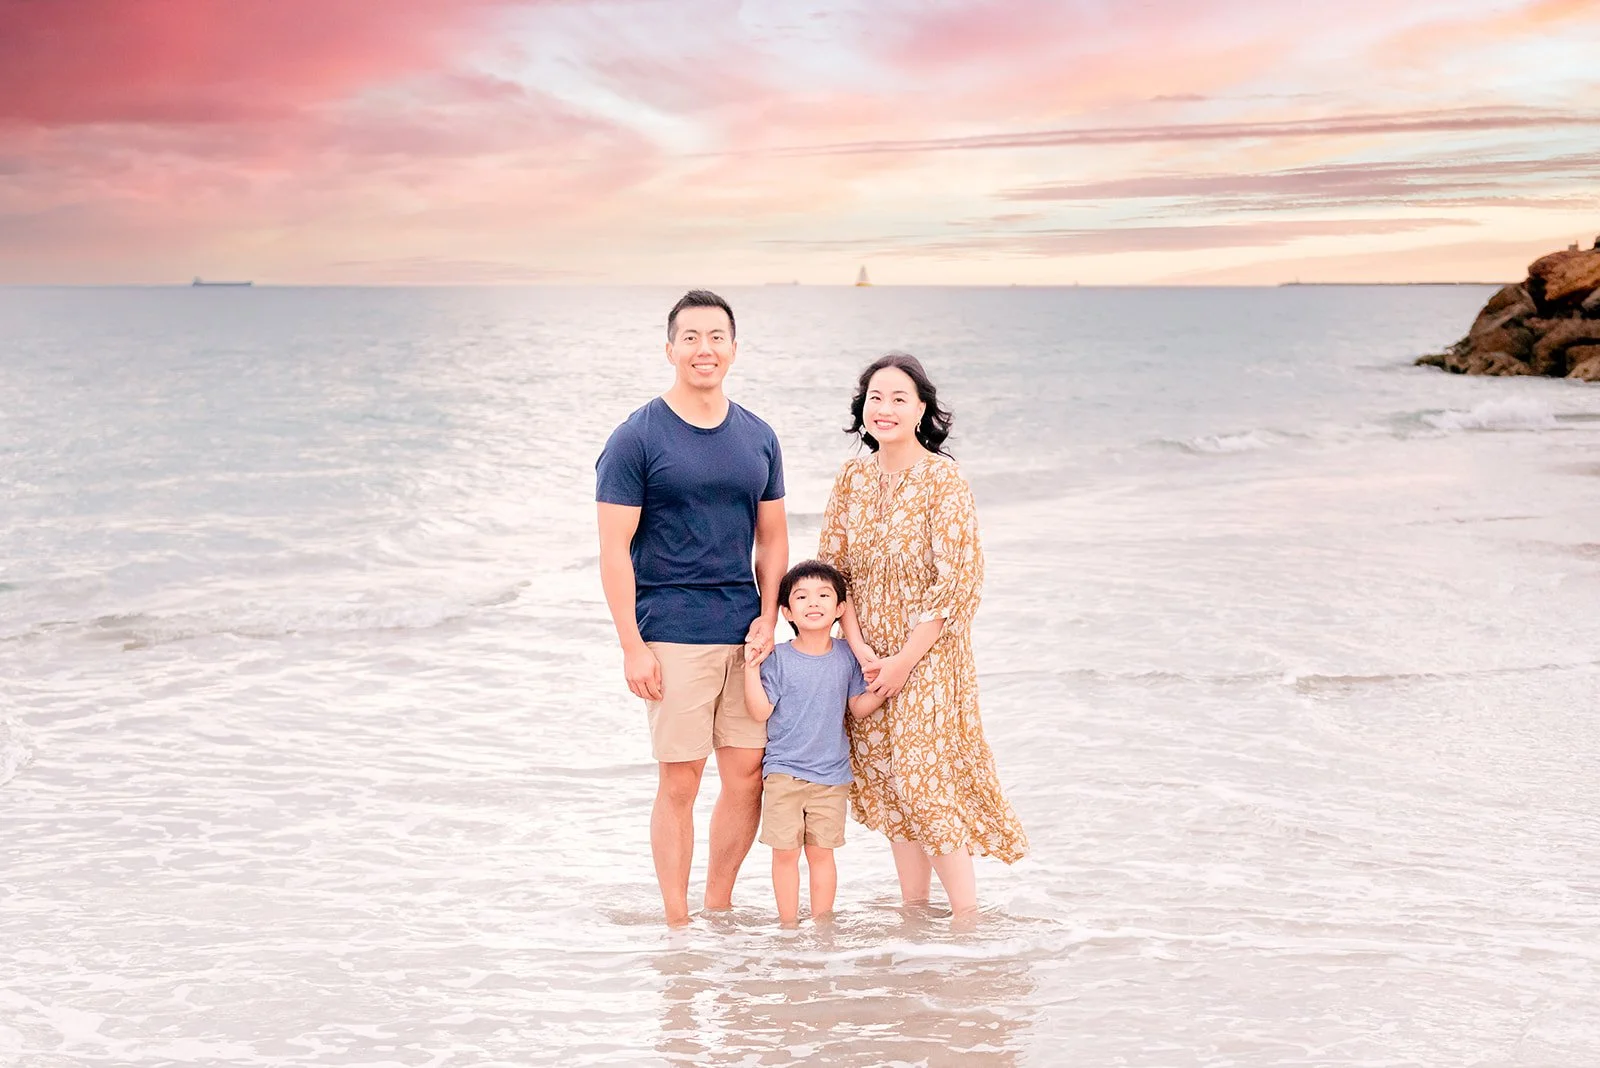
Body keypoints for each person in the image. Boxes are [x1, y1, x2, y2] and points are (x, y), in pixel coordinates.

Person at [595, 290, 789, 927]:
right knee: (680, 781)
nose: (705, 349)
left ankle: (717, 908)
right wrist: (632, 645)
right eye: (691, 337)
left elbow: (773, 539)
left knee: (747, 775)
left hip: (745, 633)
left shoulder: (759, 436)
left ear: (734, 348)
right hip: (672, 630)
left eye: (716, 337)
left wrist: (769, 616)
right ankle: (677, 924)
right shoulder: (636, 437)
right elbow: (614, 550)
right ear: (670, 349)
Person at [819, 352, 1027, 918]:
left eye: (899, 399)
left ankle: (966, 921)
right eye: (875, 398)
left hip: (928, 655)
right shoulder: (852, 478)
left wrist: (904, 662)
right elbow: (834, 573)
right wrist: (860, 648)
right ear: (862, 409)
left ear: (921, 410)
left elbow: (957, 581)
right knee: (890, 781)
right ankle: (915, 915)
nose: (884, 409)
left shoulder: (943, 479)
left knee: (924, 783)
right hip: (866, 654)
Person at [742, 560, 887, 926]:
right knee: (785, 855)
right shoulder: (779, 658)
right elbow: (760, 711)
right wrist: (751, 669)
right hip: (783, 773)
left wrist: (887, 686)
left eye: (824, 595)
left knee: (822, 854)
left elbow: (858, 707)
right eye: (802, 596)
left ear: (840, 609)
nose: (813, 602)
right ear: (787, 611)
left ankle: (823, 928)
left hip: (831, 777)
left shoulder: (847, 655)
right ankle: (788, 927)